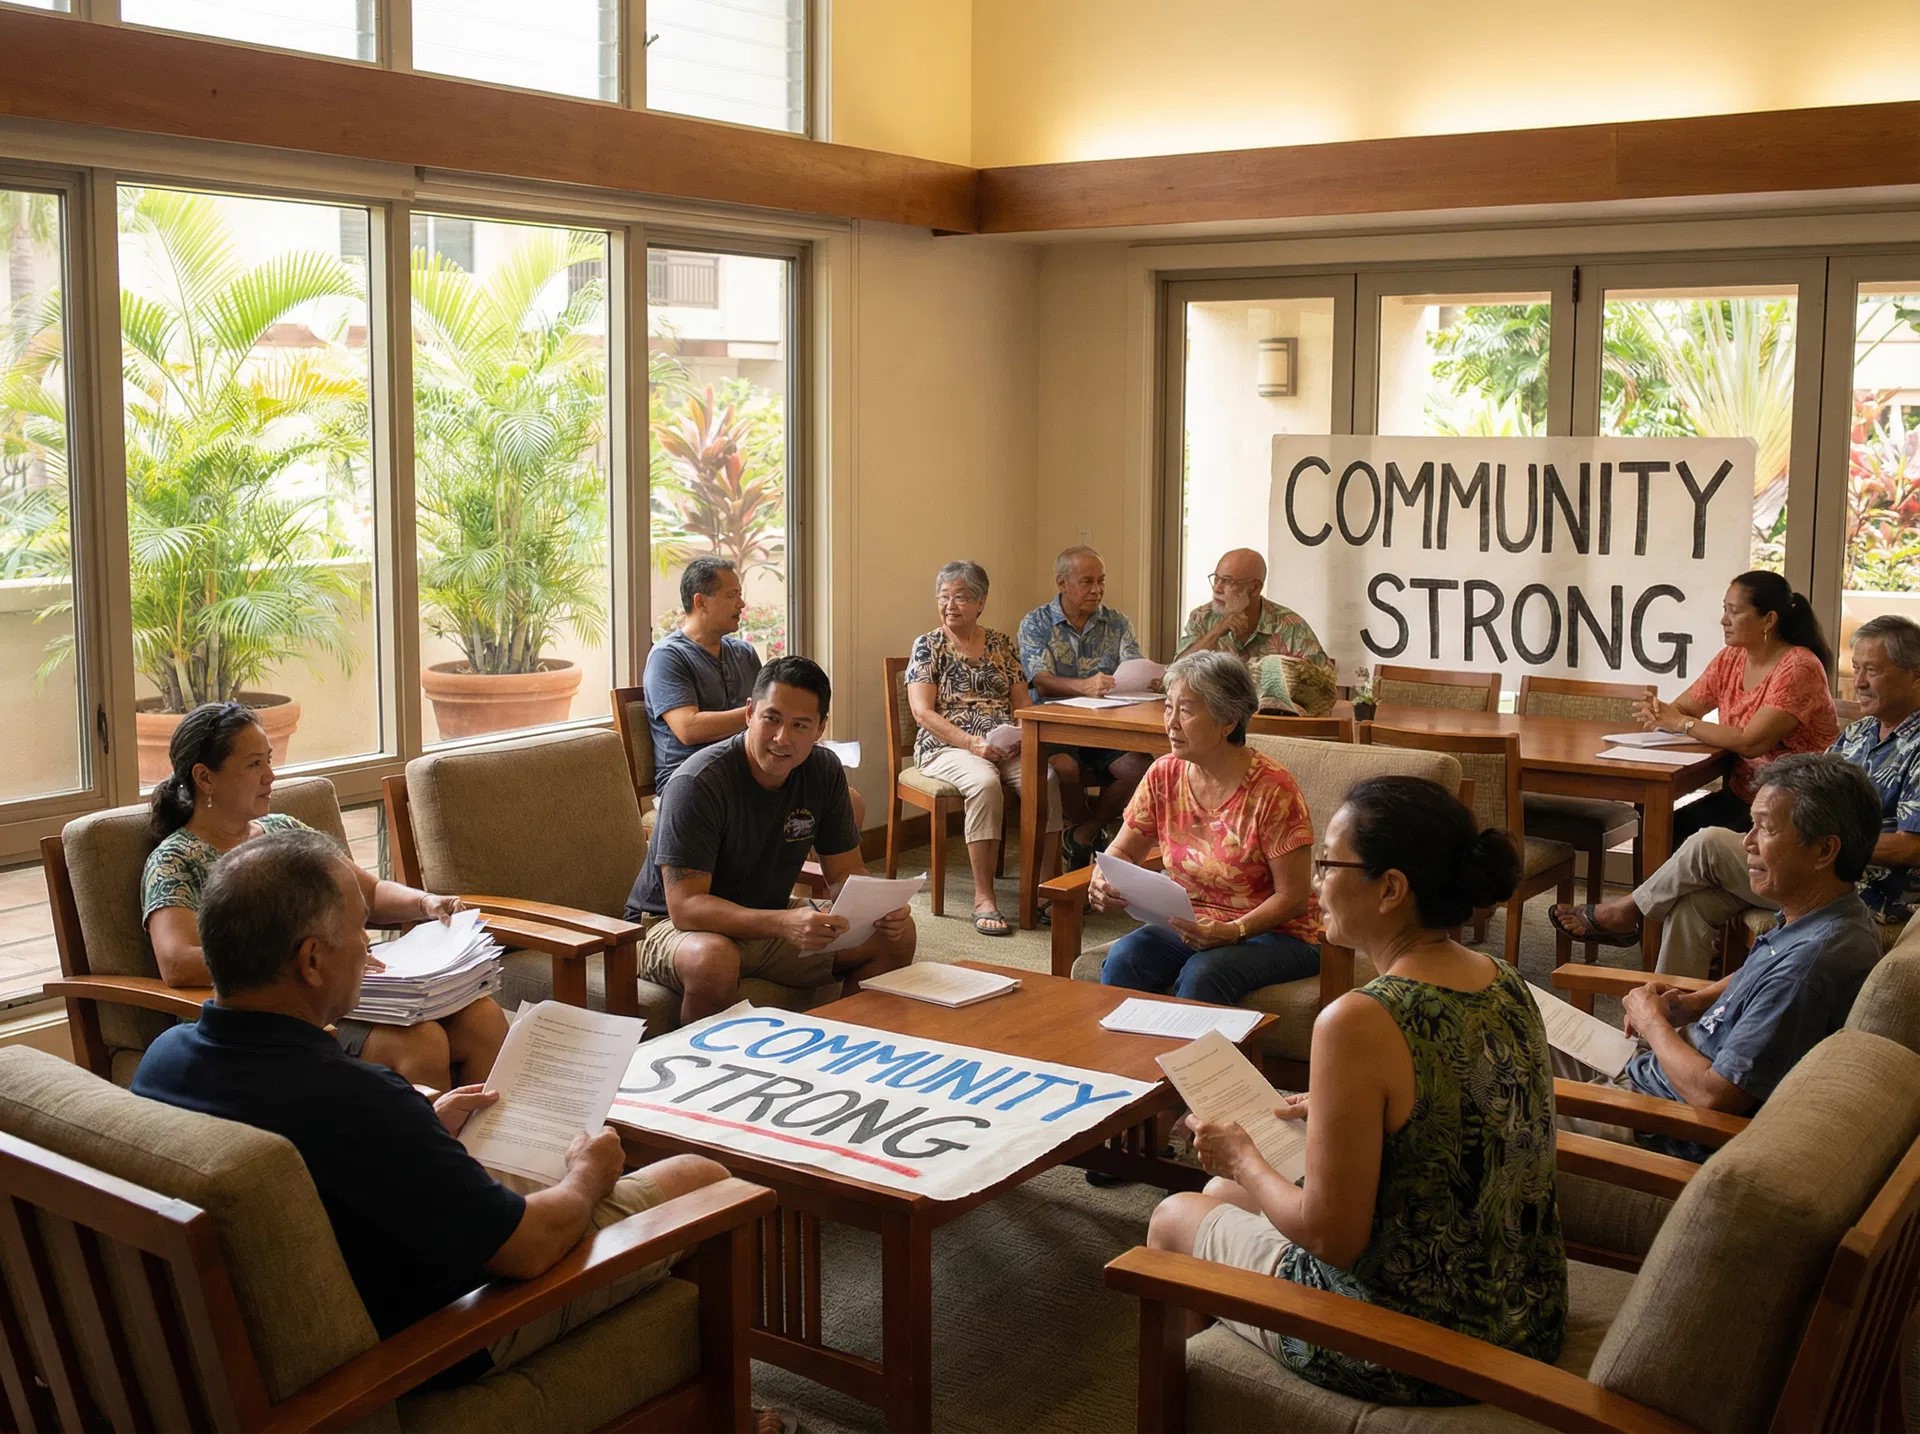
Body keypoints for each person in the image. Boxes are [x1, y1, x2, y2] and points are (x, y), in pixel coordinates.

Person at [133, 830, 734, 1395]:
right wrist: (588, 1178)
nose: (369, 950)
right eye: (361, 932)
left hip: (281, 1336)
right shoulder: (362, 1101)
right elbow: (525, 1249)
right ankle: (719, 1410)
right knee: (701, 1180)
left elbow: (329, 1159)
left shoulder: (162, 1062)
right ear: (311, 961)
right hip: (434, 1341)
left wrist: (422, 1127)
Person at [1145, 777, 1565, 1406]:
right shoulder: (1503, 977)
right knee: (1221, 1194)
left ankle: (1198, 1408)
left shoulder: (1359, 1019)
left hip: (1412, 1342)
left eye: (1328, 865)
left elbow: (1330, 1240)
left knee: (1175, 1216)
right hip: (1523, 1311)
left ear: (1392, 888)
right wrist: (1348, 1109)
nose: (1314, 885)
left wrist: (1243, 1156)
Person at [142, 701, 507, 1090]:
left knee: (484, 1020)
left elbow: (370, 892)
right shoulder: (175, 858)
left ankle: (491, 1151)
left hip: (338, 989)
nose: (270, 776)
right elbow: (177, 964)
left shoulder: (284, 830)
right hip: (271, 1014)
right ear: (205, 777)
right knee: (423, 1044)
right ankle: (426, 1149)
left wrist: (424, 903)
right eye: (253, 765)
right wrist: (304, 962)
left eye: (268, 761)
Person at [1554, 753, 1885, 1159]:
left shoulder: (1808, 970)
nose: (1746, 842)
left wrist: (1652, 1021)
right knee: (1517, 1029)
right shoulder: (1831, 915)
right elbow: (1760, 970)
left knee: (1492, 1094)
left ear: (1823, 851)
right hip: (1658, 1068)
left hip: (1654, 1120)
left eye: (1764, 829)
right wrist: (1693, 1003)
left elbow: (1713, 1099)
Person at [1553, 615, 1920, 973]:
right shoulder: (1861, 732)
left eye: (1871, 671)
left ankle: (1626, 911)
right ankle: (1669, 1018)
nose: (1859, 683)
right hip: (1813, 865)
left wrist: (1814, 844)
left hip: (1869, 892)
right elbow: (1815, 794)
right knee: (1693, 905)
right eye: (1855, 669)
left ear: (1915, 674)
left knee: (1709, 842)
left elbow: (1911, 846)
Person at [625, 655, 916, 1020]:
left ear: (820, 728)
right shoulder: (698, 783)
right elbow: (686, 908)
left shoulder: (824, 772)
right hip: (669, 925)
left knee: (896, 936)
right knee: (714, 959)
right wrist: (783, 923)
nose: (782, 738)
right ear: (749, 713)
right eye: (772, 719)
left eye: (800, 725)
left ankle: (845, 1045)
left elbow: (844, 874)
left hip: (765, 916)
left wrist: (878, 909)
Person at [1093, 651, 1321, 1005]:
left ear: (1227, 720)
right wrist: (1103, 879)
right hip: (1191, 924)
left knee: (1204, 974)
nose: (1170, 722)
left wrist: (1234, 930)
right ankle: (1122, 1060)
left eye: (1186, 710)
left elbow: (1291, 899)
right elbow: (1124, 851)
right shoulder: (1164, 774)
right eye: (1168, 707)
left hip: (1278, 934)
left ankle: (1197, 1062)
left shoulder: (1273, 789)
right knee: (1126, 959)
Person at [645, 554, 865, 827]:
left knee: (850, 802)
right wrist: (764, 715)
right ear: (700, 601)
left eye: (741, 594)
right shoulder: (668, 656)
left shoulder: (743, 652)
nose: (742, 603)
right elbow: (688, 729)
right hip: (694, 777)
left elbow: (769, 716)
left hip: (754, 766)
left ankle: (821, 869)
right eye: (732, 595)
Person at [906, 560, 1063, 936]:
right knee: (984, 784)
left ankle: (1045, 888)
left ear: (981, 602)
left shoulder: (999, 643)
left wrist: (1020, 735)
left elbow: (1022, 703)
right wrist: (973, 744)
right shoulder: (928, 645)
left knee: (1047, 778)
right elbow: (922, 712)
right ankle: (984, 897)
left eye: (960, 597)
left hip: (1001, 742)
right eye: (944, 597)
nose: (950, 605)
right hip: (947, 746)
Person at [1632, 569, 1839, 844]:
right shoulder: (1732, 657)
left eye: (1734, 611)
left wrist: (1681, 723)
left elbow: (1751, 742)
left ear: (1769, 620)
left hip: (1794, 804)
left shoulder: (1799, 667)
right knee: (1661, 829)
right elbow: (1685, 707)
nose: (1723, 620)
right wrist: (1662, 712)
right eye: (1724, 609)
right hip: (1745, 794)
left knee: (1686, 838)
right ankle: (1653, 890)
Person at [1017, 545, 1154, 868]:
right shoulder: (1036, 623)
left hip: (1106, 727)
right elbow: (1041, 679)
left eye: (1101, 581)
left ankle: (1084, 832)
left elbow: (1133, 668)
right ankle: (1088, 834)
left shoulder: (1117, 622)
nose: (1097, 590)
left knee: (1143, 769)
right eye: (1087, 581)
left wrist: (1150, 679)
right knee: (1064, 767)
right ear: (1062, 583)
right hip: (1055, 729)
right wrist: (1083, 686)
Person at [1174, 547, 1335, 715]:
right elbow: (1176, 676)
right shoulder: (1201, 618)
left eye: (1228, 582)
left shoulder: (1291, 626)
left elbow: (1325, 689)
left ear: (1254, 589)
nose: (1217, 588)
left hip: (1276, 728)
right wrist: (1218, 630)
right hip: (1215, 723)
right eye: (1216, 579)